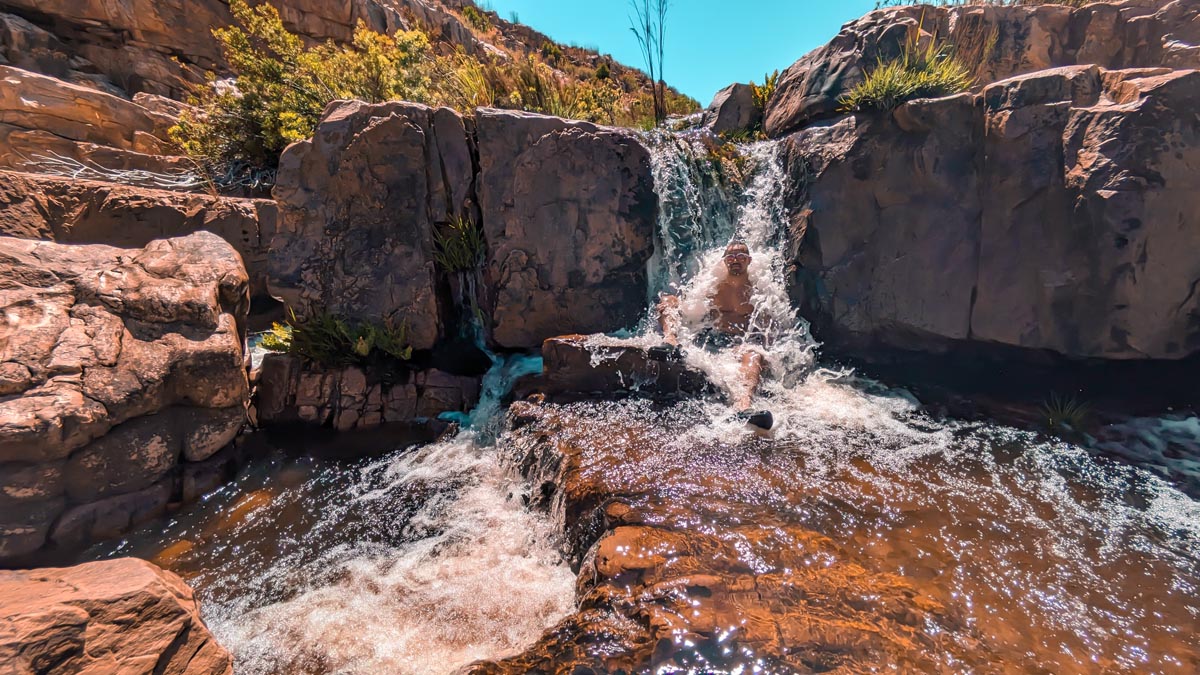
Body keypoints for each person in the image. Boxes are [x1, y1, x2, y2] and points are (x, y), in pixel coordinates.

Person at [655, 240, 773, 430]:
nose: (736, 260)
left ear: (749, 260)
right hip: (715, 338)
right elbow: (692, 307)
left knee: (753, 355)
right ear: (725, 261)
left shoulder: (759, 290)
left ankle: (743, 407)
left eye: (741, 256)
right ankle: (670, 341)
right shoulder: (714, 286)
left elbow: (769, 327)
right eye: (731, 256)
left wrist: (770, 356)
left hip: (744, 342)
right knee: (668, 300)